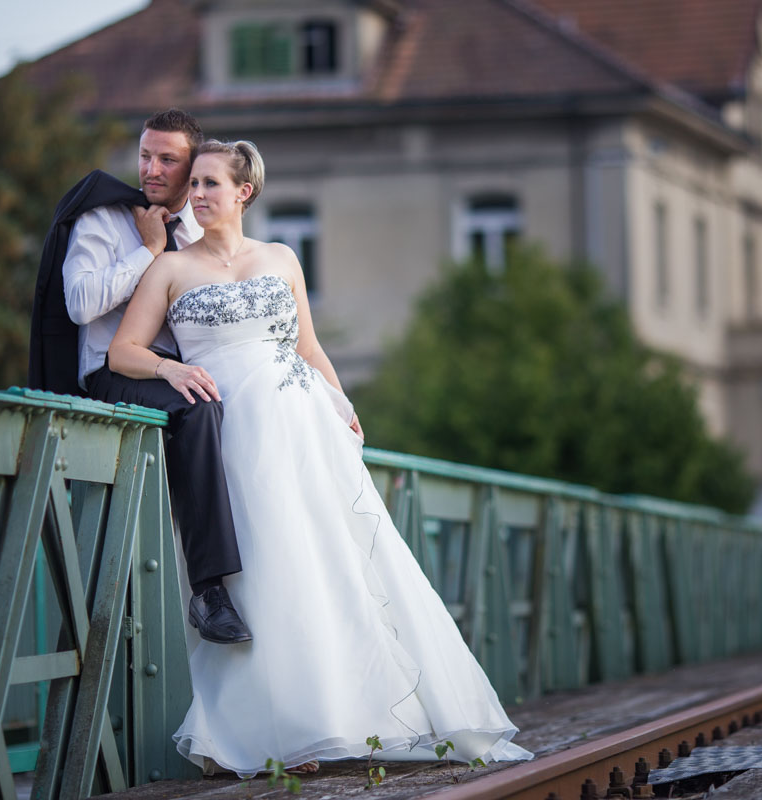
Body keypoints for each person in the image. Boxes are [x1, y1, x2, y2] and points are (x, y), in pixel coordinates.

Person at [107, 140, 532, 775]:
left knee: (320, 562)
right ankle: (280, 727)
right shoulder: (169, 268)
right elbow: (122, 352)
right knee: (261, 567)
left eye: (209, 184)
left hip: (301, 425)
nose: (195, 194)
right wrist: (172, 369)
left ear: (243, 192)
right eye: (192, 183)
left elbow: (306, 345)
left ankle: (343, 716)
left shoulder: (281, 259)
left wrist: (342, 402)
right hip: (232, 431)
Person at [28, 109, 251, 645]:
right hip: (114, 370)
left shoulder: (198, 227)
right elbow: (80, 305)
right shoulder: (102, 220)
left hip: (183, 371)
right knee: (198, 410)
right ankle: (209, 593)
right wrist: (147, 252)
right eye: (146, 155)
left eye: (168, 159)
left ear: (192, 166)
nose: (151, 168)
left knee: (251, 412)